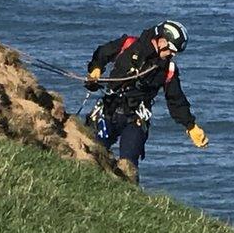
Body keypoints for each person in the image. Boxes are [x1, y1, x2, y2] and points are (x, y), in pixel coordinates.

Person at [84, 20, 209, 180]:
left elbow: (175, 100)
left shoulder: (168, 69)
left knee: (128, 165)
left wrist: (191, 126)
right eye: (171, 50)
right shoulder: (128, 44)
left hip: (135, 119)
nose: (172, 55)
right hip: (107, 111)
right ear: (162, 40)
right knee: (91, 151)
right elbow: (102, 53)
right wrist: (95, 70)